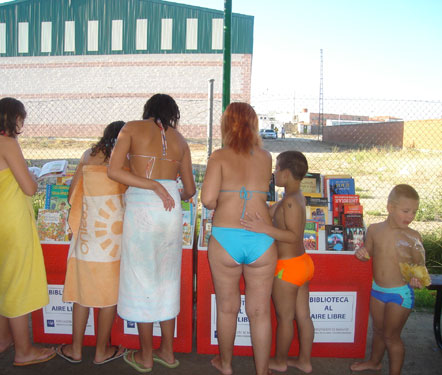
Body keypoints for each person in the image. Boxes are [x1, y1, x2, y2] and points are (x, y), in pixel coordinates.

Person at [107, 94, 196, 373]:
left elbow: (114, 171)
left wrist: (151, 186)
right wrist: (166, 188)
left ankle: (146, 356)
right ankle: (167, 352)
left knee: (142, 280)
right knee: (166, 279)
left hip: (142, 208)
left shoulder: (131, 128)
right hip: (170, 210)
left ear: (147, 110)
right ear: (172, 113)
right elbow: (190, 191)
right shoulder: (181, 141)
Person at [0, 97, 56, 366]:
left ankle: (3, 340)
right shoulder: (7, 143)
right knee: (18, 282)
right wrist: (36, 176)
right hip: (10, 222)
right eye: (22, 118)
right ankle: (24, 351)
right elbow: (30, 188)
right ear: (15, 119)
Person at [201, 102, 277, 375]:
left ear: (226, 125)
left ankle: (226, 364)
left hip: (226, 238)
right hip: (262, 239)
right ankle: (262, 371)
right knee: (260, 312)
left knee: (227, 308)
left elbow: (208, 200)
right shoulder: (266, 157)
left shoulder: (219, 156)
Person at [56, 121, 127, 365]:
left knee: (81, 293)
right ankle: (101, 351)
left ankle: (75, 349)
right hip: (112, 241)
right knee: (108, 296)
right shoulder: (124, 162)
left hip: (86, 236)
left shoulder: (88, 156)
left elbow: (71, 194)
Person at [241, 150, 314, 373]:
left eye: (277, 169)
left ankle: (281, 361)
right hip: (302, 264)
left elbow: (293, 235)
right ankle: (304, 361)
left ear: (287, 173)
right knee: (302, 315)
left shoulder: (291, 202)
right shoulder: (294, 198)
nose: (274, 173)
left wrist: (265, 228)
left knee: (285, 318)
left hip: (288, 268)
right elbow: (277, 213)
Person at [351, 184, 427, 375]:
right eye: (406, 211)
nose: (410, 216)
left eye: (414, 212)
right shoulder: (375, 230)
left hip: (400, 294)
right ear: (390, 208)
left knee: (391, 336)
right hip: (377, 290)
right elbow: (367, 252)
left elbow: (419, 268)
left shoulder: (413, 236)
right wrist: (361, 253)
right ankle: (375, 362)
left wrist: (416, 279)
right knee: (377, 330)